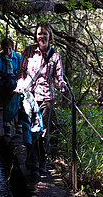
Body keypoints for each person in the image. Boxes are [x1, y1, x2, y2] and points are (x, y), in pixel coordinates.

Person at [15, 22, 67, 177]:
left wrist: (62, 86)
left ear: (50, 35)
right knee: (31, 132)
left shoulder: (55, 56)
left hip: (46, 99)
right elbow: (21, 72)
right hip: (29, 98)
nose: (42, 36)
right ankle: (32, 165)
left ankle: (41, 163)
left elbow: (59, 79)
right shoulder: (29, 51)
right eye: (39, 34)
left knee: (43, 133)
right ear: (35, 36)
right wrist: (20, 85)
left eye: (45, 33)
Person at [0, 38, 22, 137]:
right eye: (6, 49)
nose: (8, 52)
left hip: (15, 82)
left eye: (9, 49)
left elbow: (22, 70)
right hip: (4, 82)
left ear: (12, 48)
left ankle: (18, 125)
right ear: (2, 49)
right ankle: (7, 127)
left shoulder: (18, 57)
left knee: (16, 104)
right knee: (6, 104)